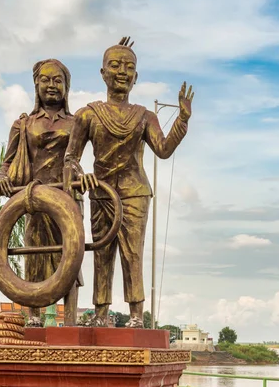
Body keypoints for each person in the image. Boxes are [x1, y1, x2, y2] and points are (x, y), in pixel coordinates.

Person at [64, 37, 194, 328]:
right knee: (102, 251)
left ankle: (136, 314)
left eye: (129, 67)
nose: (122, 71)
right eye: (115, 65)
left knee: (133, 252)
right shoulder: (88, 114)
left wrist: (182, 121)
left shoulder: (144, 116)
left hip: (134, 192)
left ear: (136, 78)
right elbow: (70, 157)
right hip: (101, 192)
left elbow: (163, 149)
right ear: (102, 73)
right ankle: (101, 313)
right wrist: (80, 174)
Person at [0, 58, 83, 325]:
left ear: (67, 87)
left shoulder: (77, 123)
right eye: (45, 80)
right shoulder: (23, 124)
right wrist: (2, 177)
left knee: (71, 253)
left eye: (58, 80)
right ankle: (33, 316)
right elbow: (7, 161)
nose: (52, 85)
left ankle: (69, 317)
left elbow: (77, 158)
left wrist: (78, 176)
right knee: (34, 252)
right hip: (34, 198)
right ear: (36, 85)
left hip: (67, 196)